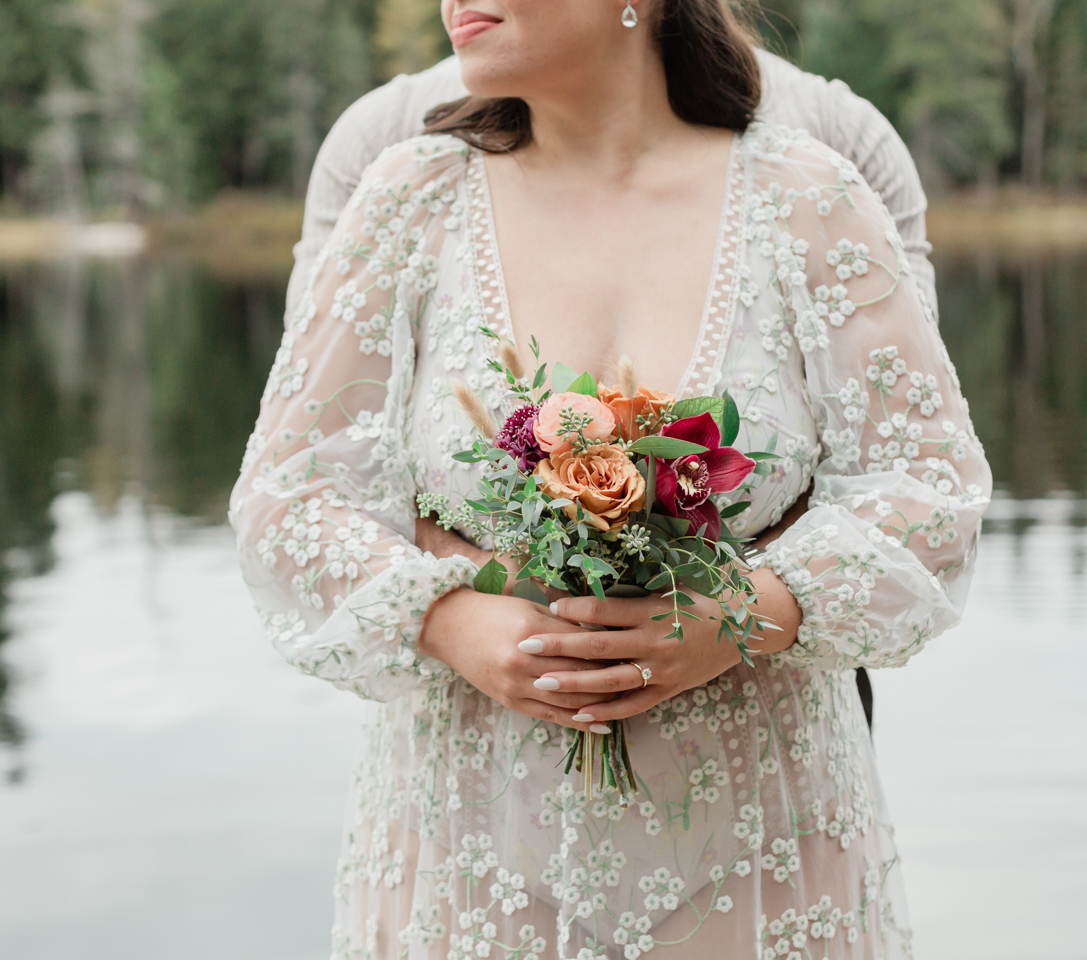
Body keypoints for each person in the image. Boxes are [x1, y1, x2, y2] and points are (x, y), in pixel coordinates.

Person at [230, 1, 992, 957]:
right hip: (473, 842)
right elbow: (289, 499)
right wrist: (449, 618)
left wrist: (749, 610)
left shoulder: (810, 195)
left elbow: (930, 487)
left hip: (762, 844)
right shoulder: (405, 197)